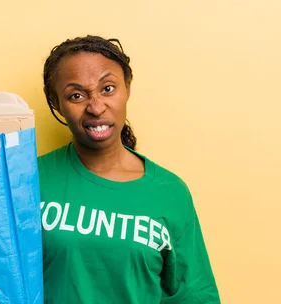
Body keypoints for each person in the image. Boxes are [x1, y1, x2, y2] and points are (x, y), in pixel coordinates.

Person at [37, 35, 221, 303]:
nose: (96, 107)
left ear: (127, 88)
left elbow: (193, 294)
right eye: (76, 95)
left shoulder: (169, 192)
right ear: (57, 103)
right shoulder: (30, 179)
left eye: (108, 89)